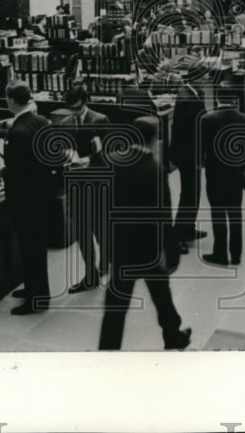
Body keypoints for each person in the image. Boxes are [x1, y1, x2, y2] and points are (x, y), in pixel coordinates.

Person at [99, 116, 191, 350]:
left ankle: (107, 350)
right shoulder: (155, 170)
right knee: (162, 298)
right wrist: (171, 252)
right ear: (153, 139)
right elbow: (163, 216)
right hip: (149, 250)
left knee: (116, 307)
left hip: (122, 248)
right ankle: (173, 337)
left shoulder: (113, 162)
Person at [3, 82, 54, 315]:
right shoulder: (41, 121)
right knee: (35, 248)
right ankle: (34, 288)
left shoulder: (18, 131)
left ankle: (37, 299)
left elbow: (16, 171)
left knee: (29, 247)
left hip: (25, 199)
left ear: (12, 100)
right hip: (41, 194)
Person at [59, 85, 111, 293]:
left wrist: (91, 160)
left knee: (100, 229)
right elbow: (61, 148)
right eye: (71, 109)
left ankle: (106, 261)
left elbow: (110, 152)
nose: (74, 113)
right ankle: (90, 275)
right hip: (75, 185)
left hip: (97, 185)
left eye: (78, 108)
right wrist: (64, 156)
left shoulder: (100, 120)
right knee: (81, 232)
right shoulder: (64, 123)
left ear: (86, 102)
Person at [199, 92, 245, 266]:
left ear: (217, 99)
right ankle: (236, 254)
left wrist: (201, 163)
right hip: (236, 173)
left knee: (218, 212)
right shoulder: (244, 118)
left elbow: (201, 147)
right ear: (235, 99)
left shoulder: (207, 119)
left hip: (215, 173)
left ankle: (220, 253)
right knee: (235, 212)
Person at [169, 74, 207, 248]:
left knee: (193, 193)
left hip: (190, 153)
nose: (206, 79)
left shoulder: (192, 92)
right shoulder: (188, 98)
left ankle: (188, 228)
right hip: (189, 154)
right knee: (189, 194)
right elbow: (190, 131)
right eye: (204, 76)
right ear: (195, 78)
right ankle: (178, 235)